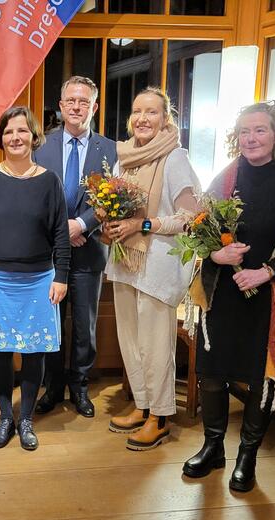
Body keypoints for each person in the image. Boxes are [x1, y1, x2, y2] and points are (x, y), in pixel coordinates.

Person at [182, 102, 275, 492]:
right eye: (244, 131)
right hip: (223, 292)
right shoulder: (226, 177)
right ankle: (213, 447)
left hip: (269, 294)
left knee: (261, 377)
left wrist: (267, 270)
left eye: (259, 130)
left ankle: (247, 456)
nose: (251, 138)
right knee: (211, 371)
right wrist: (216, 255)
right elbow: (199, 227)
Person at [0, 106, 69, 451]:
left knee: (34, 352)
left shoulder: (49, 181)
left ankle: (26, 419)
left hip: (39, 279)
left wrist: (61, 276)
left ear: (34, 136)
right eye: (8, 132)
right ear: (1, 139)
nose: (15, 137)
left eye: (22, 130)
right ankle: (6, 418)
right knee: (0, 351)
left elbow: (60, 234)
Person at [104, 87, 200, 451]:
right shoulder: (124, 159)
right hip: (125, 262)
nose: (143, 118)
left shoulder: (175, 158)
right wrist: (109, 222)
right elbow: (117, 208)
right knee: (131, 342)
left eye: (152, 112)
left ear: (165, 118)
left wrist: (142, 225)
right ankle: (142, 406)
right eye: (137, 111)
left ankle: (160, 418)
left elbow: (190, 217)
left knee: (156, 346)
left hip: (158, 267)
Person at [33, 76, 117, 419]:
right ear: (61, 105)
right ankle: (53, 387)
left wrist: (81, 225)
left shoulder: (111, 150)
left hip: (89, 251)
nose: (77, 107)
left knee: (85, 325)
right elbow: (34, 199)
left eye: (84, 101)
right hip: (50, 255)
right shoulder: (41, 147)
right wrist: (62, 232)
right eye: (71, 101)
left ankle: (80, 386)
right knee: (53, 323)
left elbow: (114, 198)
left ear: (94, 107)